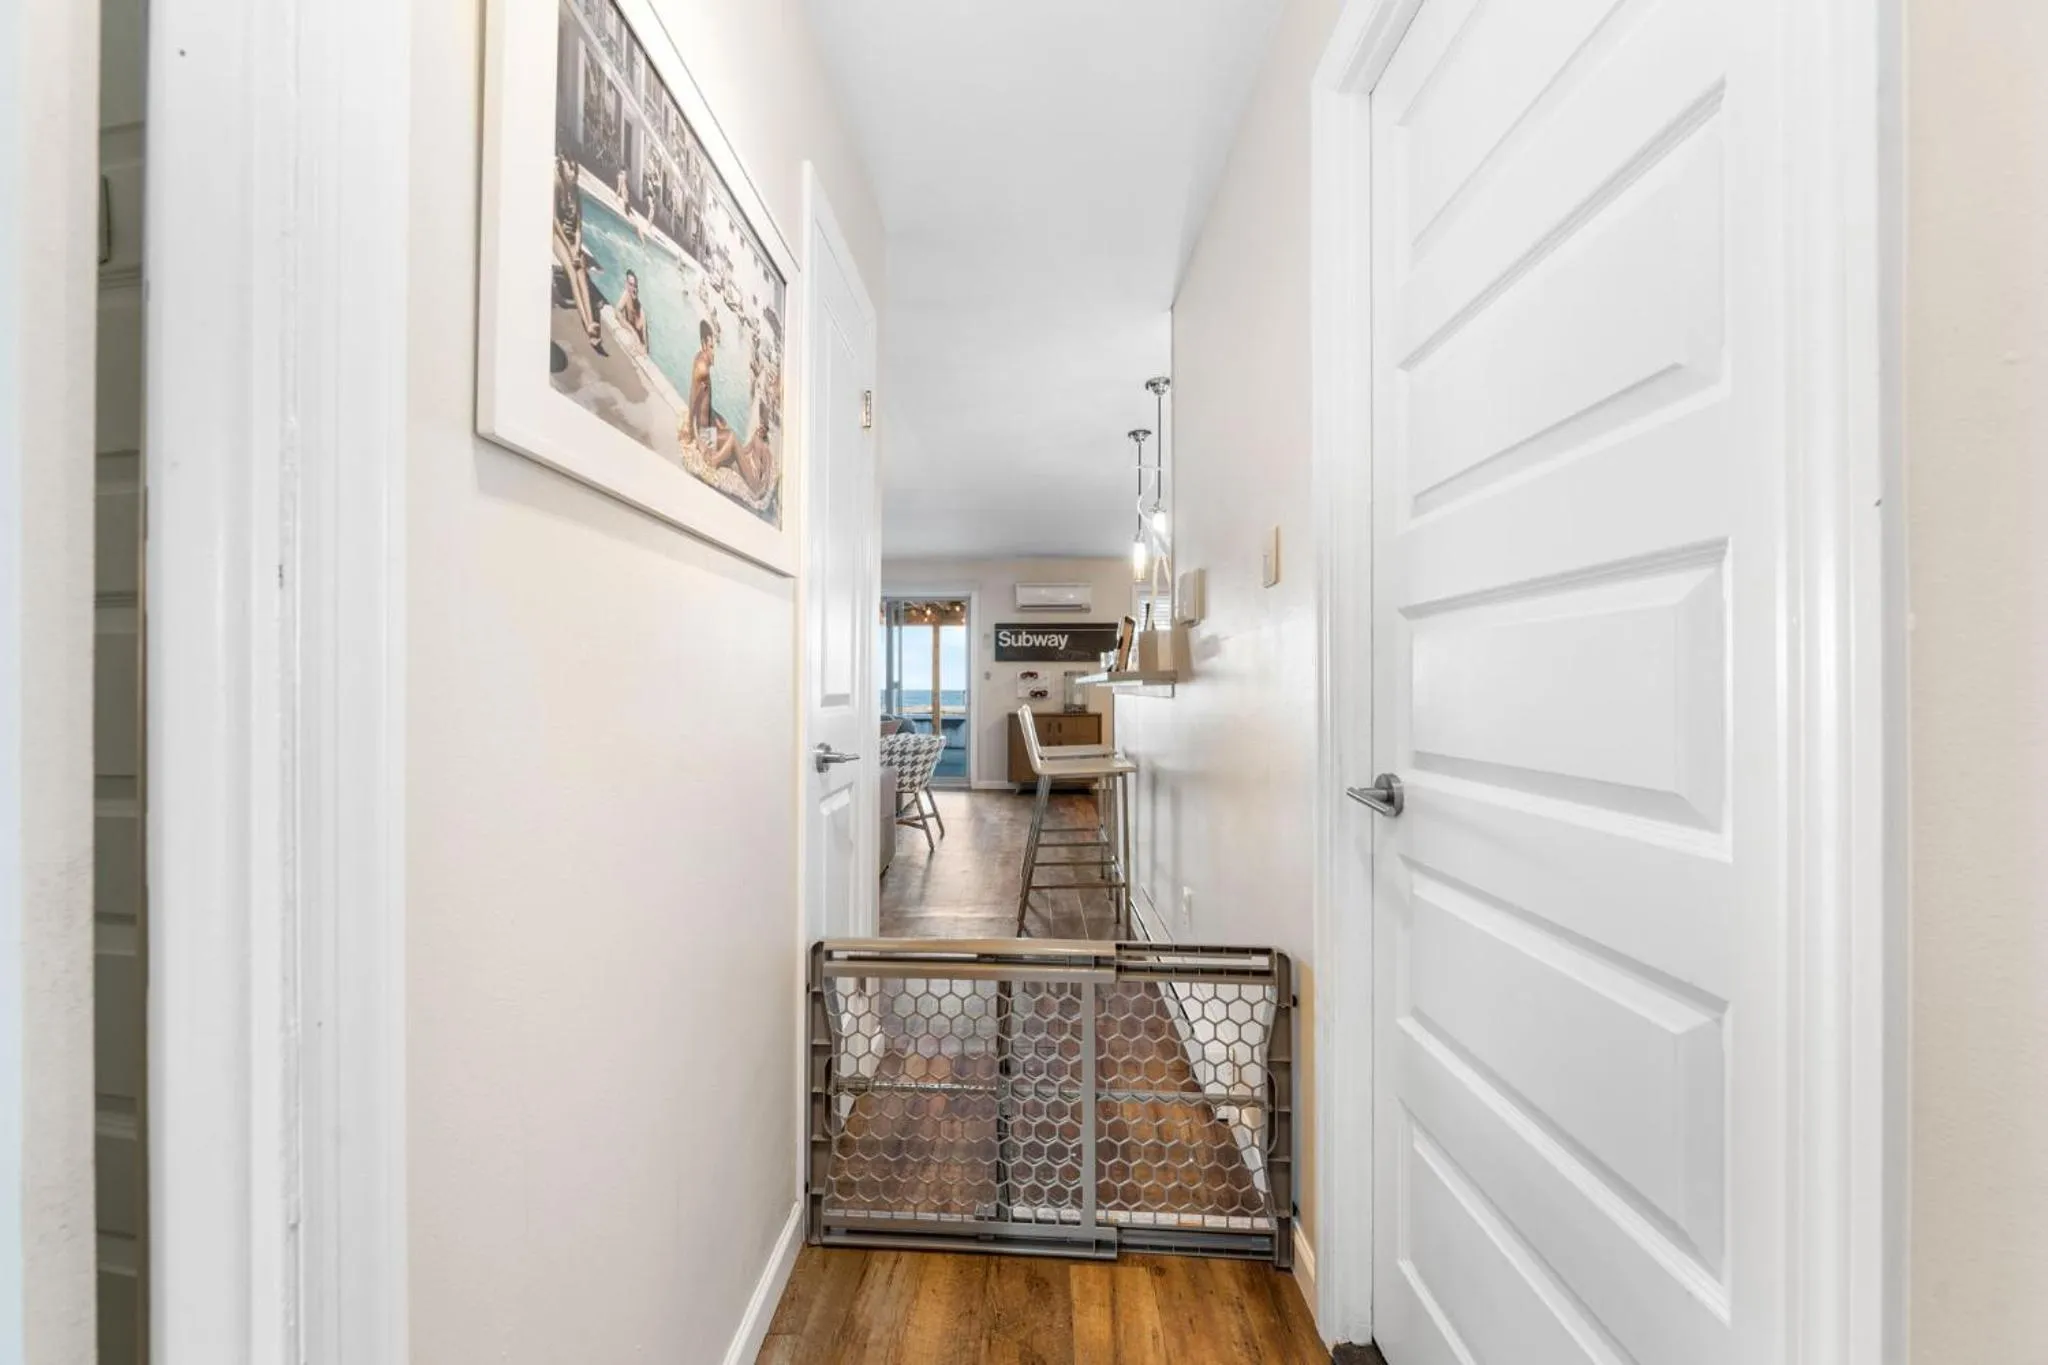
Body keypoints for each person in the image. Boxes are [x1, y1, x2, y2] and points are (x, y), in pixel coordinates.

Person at [551, 154, 602, 349]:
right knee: (572, 273)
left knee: (581, 273)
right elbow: (555, 221)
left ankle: (592, 322)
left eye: (574, 170)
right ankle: (588, 325)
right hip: (557, 236)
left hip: (572, 238)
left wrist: (576, 247)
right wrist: (568, 247)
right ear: (563, 168)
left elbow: (579, 227)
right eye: (569, 169)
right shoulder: (556, 183)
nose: (573, 173)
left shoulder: (576, 191)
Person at [615, 270, 648, 350]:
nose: (634, 289)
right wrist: (633, 331)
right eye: (631, 285)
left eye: (635, 286)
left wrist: (639, 342)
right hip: (632, 336)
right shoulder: (626, 295)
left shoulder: (641, 313)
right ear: (626, 285)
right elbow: (617, 311)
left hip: (638, 345)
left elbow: (645, 345)